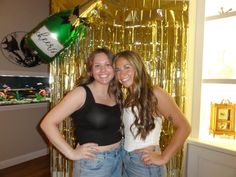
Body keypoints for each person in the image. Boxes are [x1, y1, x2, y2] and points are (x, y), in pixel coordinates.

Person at [40, 48, 123, 177]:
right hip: (93, 163)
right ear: (90, 71)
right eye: (97, 66)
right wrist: (71, 153)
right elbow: (47, 124)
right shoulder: (81, 93)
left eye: (108, 65)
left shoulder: (115, 93)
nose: (103, 70)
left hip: (118, 157)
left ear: (114, 69)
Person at [113, 50, 191, 177]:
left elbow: (185, 127)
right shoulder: (129, 97)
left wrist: (164, 157)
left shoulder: (154, 92)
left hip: (144, 164)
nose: (122, 74)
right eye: (118, 70)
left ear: (137, 67)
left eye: (127, 67)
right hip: (127, 160)